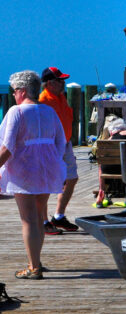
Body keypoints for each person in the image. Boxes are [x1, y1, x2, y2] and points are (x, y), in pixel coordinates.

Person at [0, 71, 66, 280]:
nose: (13, 95)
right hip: (47, 169)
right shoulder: (49, 111)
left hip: (24, 170)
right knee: (38, 217)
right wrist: (52, 161)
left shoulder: (16, 112)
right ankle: (35, 260)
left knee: (28, 219)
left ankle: (33, 267)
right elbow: (61, 141)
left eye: (15, 91)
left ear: (22, 90)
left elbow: (8, 147)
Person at [38, 66, 79, 234]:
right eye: (60, 80)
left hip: (66, 143)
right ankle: (43, 221)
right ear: (50, 83)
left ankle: (59, 216)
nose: (63, 83)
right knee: (47, 184)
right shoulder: (42, 100)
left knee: (72, 178)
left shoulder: (61, 96)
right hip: (51, 147)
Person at [94, 119, 126, 208]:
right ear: (123, 128)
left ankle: (102, 193)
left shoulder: (110, 139)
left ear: (112, 131)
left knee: (103, 167)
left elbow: (101, 160)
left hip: (112, 169)